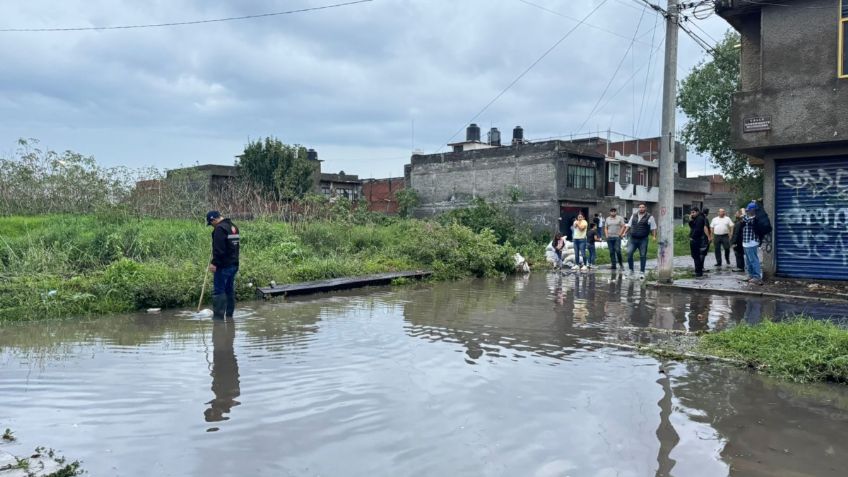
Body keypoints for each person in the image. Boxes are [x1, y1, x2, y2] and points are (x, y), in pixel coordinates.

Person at [207, 210, 240, 320]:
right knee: (229, 290)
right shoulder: (233, 227)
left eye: (211, 223)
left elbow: (219, 250)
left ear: (214, 219)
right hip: (234, 264)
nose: (212, 226)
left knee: (219, 291)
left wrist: (214, 263)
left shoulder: (220, 229)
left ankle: (218, 319)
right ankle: (229, 316)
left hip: (223, 266)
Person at [622, 203, 657, 279]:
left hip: (643, 239)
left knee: (643, 255)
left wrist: (654, 236)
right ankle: (631, 270)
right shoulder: (633, 215)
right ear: (638, 208)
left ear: (645, 208)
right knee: (629, 253)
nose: (641, 208)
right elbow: (629, 225)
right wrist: (625, 232)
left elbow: (653, 227)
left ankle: (642, 272)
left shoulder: (650, 217)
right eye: (640, 207)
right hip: (632, 238)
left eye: (643, 207)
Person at [741, 202, 763, 285]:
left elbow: (747, 220)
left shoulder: (756, 218)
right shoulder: (749, 217)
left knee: (753, 260)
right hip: (746, 242)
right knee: (748, 261)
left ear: (753, 210)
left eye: (749, 210)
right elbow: (743, 222)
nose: (747, 211)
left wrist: (743, 214)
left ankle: (757, 277)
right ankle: (750, 275)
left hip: (752, 242)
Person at [688, 207, 711, 277]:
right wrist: (690, 220)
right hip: (695, 239)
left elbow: (697, 230)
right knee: (695, 256)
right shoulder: (696, 218)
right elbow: (692, 227)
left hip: (697, 240)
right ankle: (698, 271)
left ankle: (698, 272)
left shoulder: (700, 218)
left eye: (693, 212)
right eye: (691, 213)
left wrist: (693, 237)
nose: (692, 214)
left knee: (697, 256)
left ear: (697, 212)